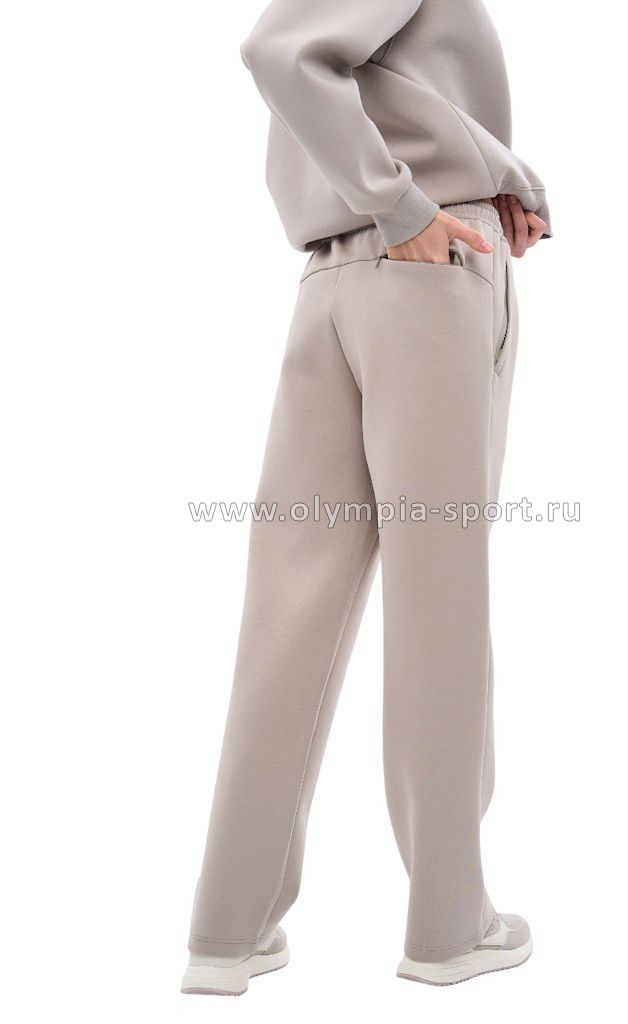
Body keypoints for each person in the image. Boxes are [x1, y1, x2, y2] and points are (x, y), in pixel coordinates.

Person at [181, 0, 550, 992]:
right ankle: (448, 924)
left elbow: (372, 78)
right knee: (440, 603)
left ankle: (227, 929)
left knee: (290, 608)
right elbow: (281, 52)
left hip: (331, 274)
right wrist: (409, 203)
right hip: (428, 266)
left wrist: (500, 177)